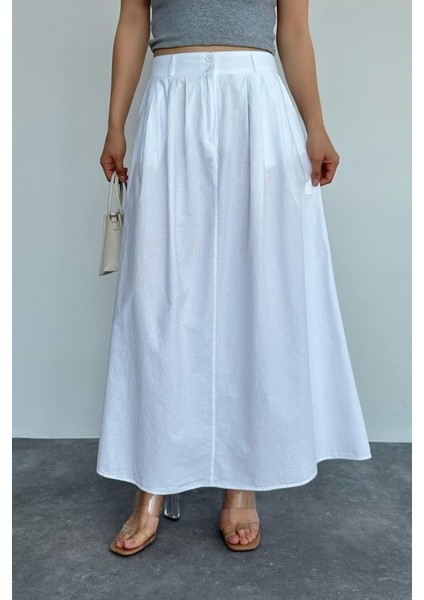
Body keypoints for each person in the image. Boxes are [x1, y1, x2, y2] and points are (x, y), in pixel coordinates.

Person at [98, 0, 372, 556]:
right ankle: (153, 477)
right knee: (159, 298)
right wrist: (114, 126)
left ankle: (242, 482)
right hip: (170, 98)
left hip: (256, 102)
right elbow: (132, 22)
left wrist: (316, 127)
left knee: (256, 293)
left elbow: (293, 32)